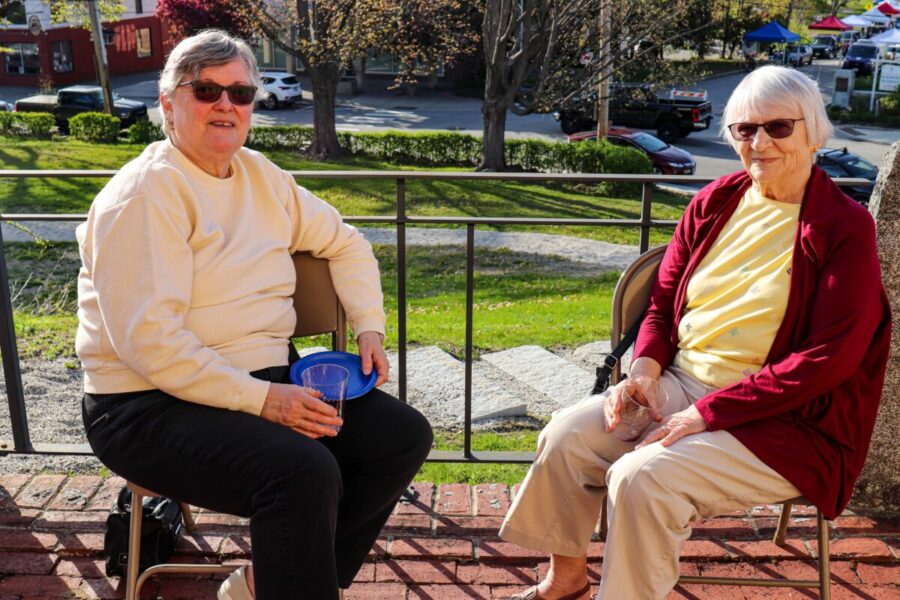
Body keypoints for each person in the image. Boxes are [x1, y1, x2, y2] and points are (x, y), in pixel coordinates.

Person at [500, 65, 891, 600]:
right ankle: (566, 578)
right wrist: (642, 372)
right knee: (567, 436)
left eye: (778, 128)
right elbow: (661, 304)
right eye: (745, 129)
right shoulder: (714, 203)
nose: (760, 142)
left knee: (642, 478)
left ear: (813, 132)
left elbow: (830, 358)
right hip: (681, 381)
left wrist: (704, 414)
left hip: (784, 419)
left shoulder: (843, 226)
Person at [76, 30, 433, 600]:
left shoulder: (261, 175)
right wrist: (266, 402)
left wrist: (369, 325)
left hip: (257, 380)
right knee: (301, 472)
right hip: (144, 405)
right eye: (206, 90)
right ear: (168, 103)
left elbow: (346, 243)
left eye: (240, 93)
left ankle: (274, 580)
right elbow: (152, 345)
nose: (225, 104)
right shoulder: (145, 195)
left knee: (401, 436)